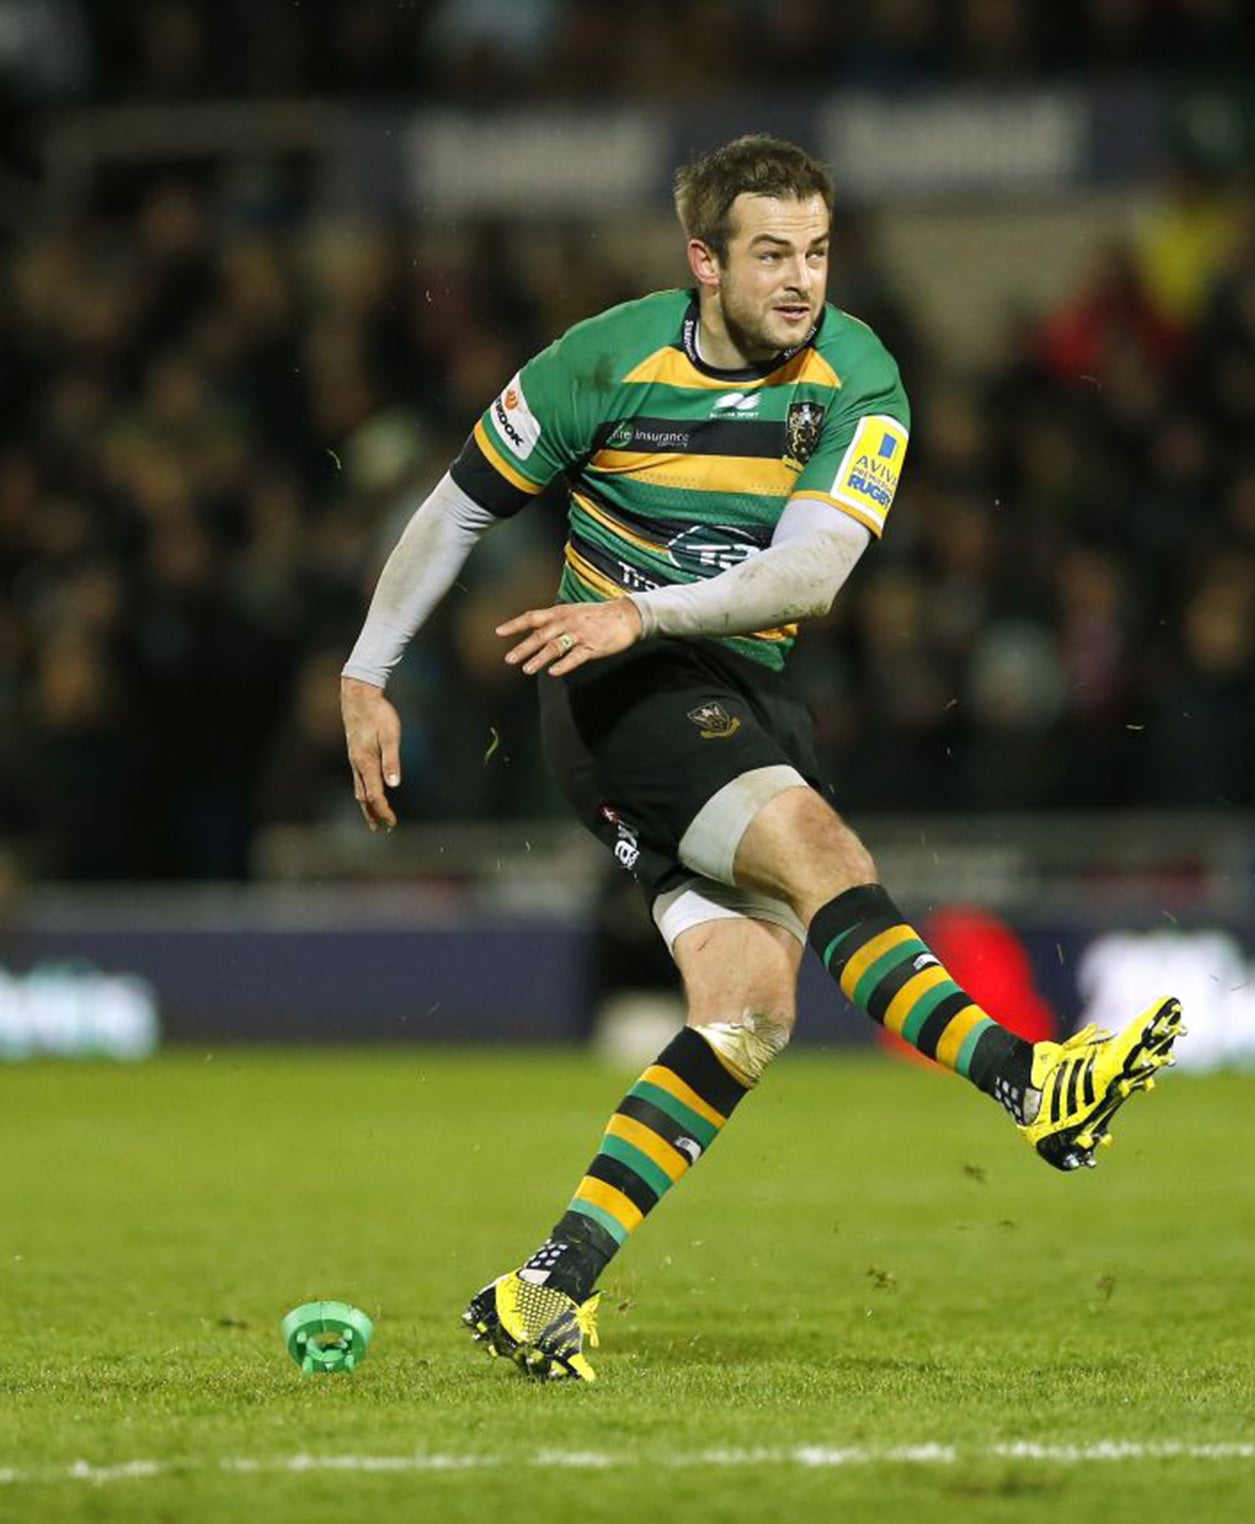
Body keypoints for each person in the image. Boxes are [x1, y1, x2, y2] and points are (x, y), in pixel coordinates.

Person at [338, 135, 1184, 1381]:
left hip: (736, 680)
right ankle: (1025, 1080)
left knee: (746, 1012)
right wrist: (369, 668)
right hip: (616, 691)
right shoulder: (599, 361)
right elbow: (462, 501)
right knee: (819, 849)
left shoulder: (857, 375)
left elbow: (811, 572)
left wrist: (647, 605)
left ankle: (540, 1286)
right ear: (704, 261)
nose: (801, 280)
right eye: (772, 253)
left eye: (819, 251)